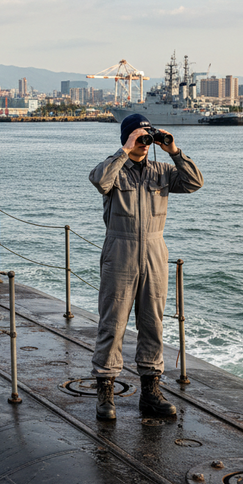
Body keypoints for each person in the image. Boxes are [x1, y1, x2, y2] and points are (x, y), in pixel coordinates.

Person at [89, 113, 203, 420]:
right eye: (138, 137)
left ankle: (151, 392)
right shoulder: (115, 169)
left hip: (154, 251)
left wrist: (174, 151)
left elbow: (194, 182)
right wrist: (125, 150)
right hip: (120, 250)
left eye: (146, 137)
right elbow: (99, 180)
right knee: (113, 323)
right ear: (127, 138)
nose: (144, 142)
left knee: (153, 322)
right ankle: (105, 390)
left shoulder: (162, 171)